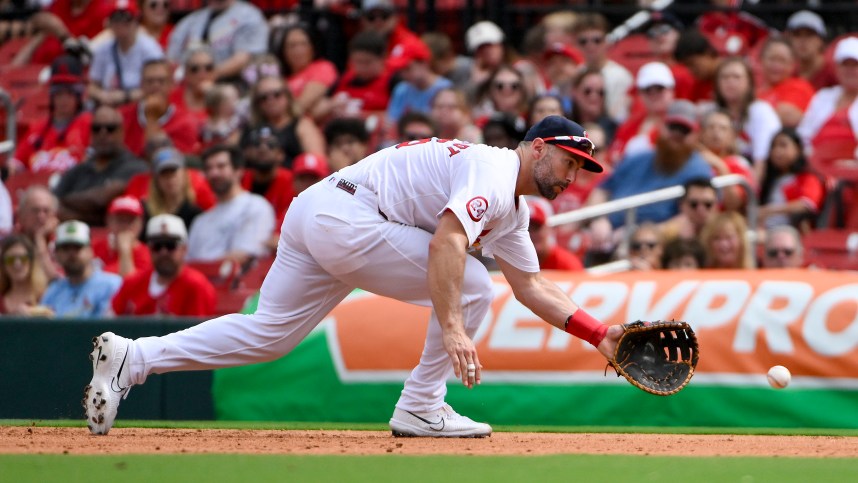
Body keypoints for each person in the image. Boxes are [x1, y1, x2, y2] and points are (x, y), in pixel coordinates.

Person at [83, 115, 625, 437]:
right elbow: (448, 241)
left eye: (581, 168)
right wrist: (454, 326)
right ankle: (421, 406)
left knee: (269, 335)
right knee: (477, 284)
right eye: (569, 161)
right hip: (350, 217)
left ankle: (136, 358)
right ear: (536, 147)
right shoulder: (493, 170)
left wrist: (599, 334)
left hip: (320, 210)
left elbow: (531, 286)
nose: (573, 176)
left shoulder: (512, 209)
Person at [587, 100, 713, 243]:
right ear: (662, 127)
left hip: (651, 244)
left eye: (684, 130)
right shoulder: (639, 156)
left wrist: (636, 236)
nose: (677, 135)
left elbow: (691, 218)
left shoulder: (698, 169)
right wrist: (598, 219)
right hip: (606, 232)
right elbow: (602, 189)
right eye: (673, 127)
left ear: (696, 135)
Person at [53, 105, 149, 226]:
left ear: (122, 131)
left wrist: (66, 203)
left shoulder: (135, 167)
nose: (103, 134)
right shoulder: (77, 170)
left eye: (110, 128)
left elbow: (100, 200)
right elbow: (54, 204)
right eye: (96, 128)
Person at [112, 214, 216, 316]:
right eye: (157, 246)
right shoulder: (132, 284)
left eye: (170, 245)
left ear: (184, 249)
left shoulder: (197, 287)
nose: (163, 252)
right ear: (149, 248)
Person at [186, 145, 275, 265]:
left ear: (238, 171)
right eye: (209, 168)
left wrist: (203, 268)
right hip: (201, 281)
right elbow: (187, 264)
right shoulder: (200, 222)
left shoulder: (256, 206)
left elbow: (245, 256)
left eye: (221, 166)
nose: (214, 173)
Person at [10, 55, 91, 174]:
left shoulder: (90, 124)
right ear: (52, 95)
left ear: (78, 95)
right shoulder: (37, 128)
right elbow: (16, 164)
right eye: (59, 93)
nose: (64, 99)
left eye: (69, 93)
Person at [166, 0, 268, 81]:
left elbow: (242, 59)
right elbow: (172, 59)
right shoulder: (191, 21)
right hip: (187, 85)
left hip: (231, 84)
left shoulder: (249, 16)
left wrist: (204, 76)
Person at [88, 0, 164, 107]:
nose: (121, 24)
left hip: (140, 107)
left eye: (126, 19)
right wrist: (102, 96)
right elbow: (92, 86)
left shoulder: (150, 49)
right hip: (109, 108)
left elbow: (159, 88)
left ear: (136, 21)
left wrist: (126, 96)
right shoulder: (103, 49)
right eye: (116, 19)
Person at [797, 37, 858, 168]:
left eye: (855, 65)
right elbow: (803, 136)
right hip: (815, 168)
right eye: (845, 64)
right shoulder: (823, 96)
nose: (850, 70)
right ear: (836, 68)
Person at [40, 220, 123, 317]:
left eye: (77, 247)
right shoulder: (53, 292)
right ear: (57, 254)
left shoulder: (112, 285)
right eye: (65, 248)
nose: (71, 253)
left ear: (90, 250)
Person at [713, 57, 781, 173]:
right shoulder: (712, 112)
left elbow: (761, 162)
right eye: (724, 77)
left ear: (749, 83)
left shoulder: (761, 111)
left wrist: (751, 190)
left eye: (736, 77)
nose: (730, 82)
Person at [120, 59, 201, 156]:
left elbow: (163, 161)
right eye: (150, 81)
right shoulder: (122, 116)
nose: (155, 85)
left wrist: (152, 118)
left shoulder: (185, 122)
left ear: (171, 84)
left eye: (161, 81)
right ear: (141, 84)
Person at [246, 75, 325, 170]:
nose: (271, 100)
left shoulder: (302, 126)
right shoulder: (251, 129)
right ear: (257, 103)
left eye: (277, 94)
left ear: (288, 97)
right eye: (264, 97)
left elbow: (318, 163)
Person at [757, 129, 824, 231]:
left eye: (783, 145)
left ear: (798, 149)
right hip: (764, 230)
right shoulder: (770, 181)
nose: (777, 151)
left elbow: (807, 204)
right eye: (773, 146)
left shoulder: (807, 178)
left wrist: (769, 210)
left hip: (790, 234)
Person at [572, 13, 633, 123]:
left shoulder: (621, 75)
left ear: (606, 41)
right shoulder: (576, 73)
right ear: (577, 44)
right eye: (583, 41)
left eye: (597, 40)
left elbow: (620, 115)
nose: (590, 45)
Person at [271, 23, 338, 117]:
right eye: (292, 46)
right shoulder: (278, 76)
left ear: (313, 47)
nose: (298, 50)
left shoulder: (323, 67)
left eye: (303, 44)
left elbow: (301, 105)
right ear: (283, 51)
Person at [141, 146, 205, 233]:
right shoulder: (145, 212)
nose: (169, 179)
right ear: (156, 180)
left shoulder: (195, 214)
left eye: (173, 172)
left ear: (184, 174)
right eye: (164, 174)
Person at [239, 126, 294, 225]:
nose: (262, 148)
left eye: (271, 144)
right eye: (257, 144)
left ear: (281, 154)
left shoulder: (291, 181)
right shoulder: (239, 179)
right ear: (248, 151)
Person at [756, 38, 815, 129]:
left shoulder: (799, 86)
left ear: (792, 65)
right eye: (772, 59)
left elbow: (788, 116)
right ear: (761, 60)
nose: (776, 65)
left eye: (782, 61)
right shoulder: (754, 89)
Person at [91, 195, 151, 277]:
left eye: (130, 220)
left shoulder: (147, 255)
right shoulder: (95, 247)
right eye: (120, 220)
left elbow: (130, 285)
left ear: (140, 224)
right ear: (109, 220)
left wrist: (125, 251)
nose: (125, 226)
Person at [13, 186, 61, 281]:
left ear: (54, 216)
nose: (41, 216)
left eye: (46, 211)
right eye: (35, 210)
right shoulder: (8, 242)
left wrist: (40, 239)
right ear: (21, 215)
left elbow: (58, 284)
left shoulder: (64, 243)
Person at [0, 235, 52, 316]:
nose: (17, 264)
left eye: (23, 258)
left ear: (32, 262)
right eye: (10, 260)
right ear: (3, 265)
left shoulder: (46, 296)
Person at [784, 10, 836, 91]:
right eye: (797, 35)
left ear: (821, 40)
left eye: (809, 35)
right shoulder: (786, 72)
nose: (803, 40)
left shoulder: (833, 73)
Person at [526, 197, 582, 271]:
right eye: (526, 229)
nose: (531, 234)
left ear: (549, 229)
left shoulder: (566, 263)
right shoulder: (512, 262)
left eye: (537, 228)